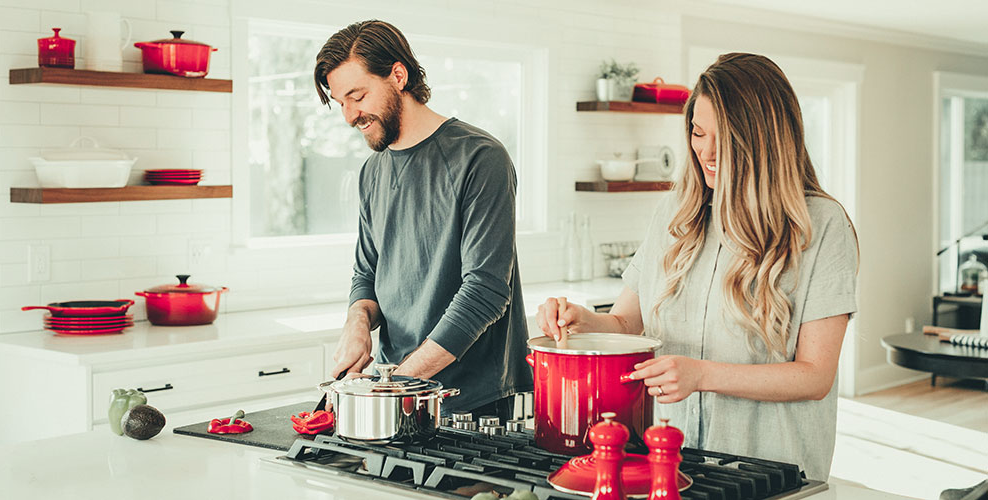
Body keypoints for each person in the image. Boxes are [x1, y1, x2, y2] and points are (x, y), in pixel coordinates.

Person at [536, 53, 858, 481]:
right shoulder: (675, 213)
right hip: (669, 462)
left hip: (766, 471)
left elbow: (815, 375)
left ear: (764, 138)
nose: (705, 151)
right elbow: (629, 323)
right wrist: (584, 321)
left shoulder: (821, 226)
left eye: (723, 137)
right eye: (697, 132)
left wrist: (703, 375)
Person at [314, 20, 533, 420]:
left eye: (357, 96)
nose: (349, 116)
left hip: (471, 401)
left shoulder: (480, 158)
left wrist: (396, 385)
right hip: (393, 387)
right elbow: (367, 273)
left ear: (398, 75)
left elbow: (485, 291)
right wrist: (357, 323)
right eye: (340, 102)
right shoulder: (372, 171)